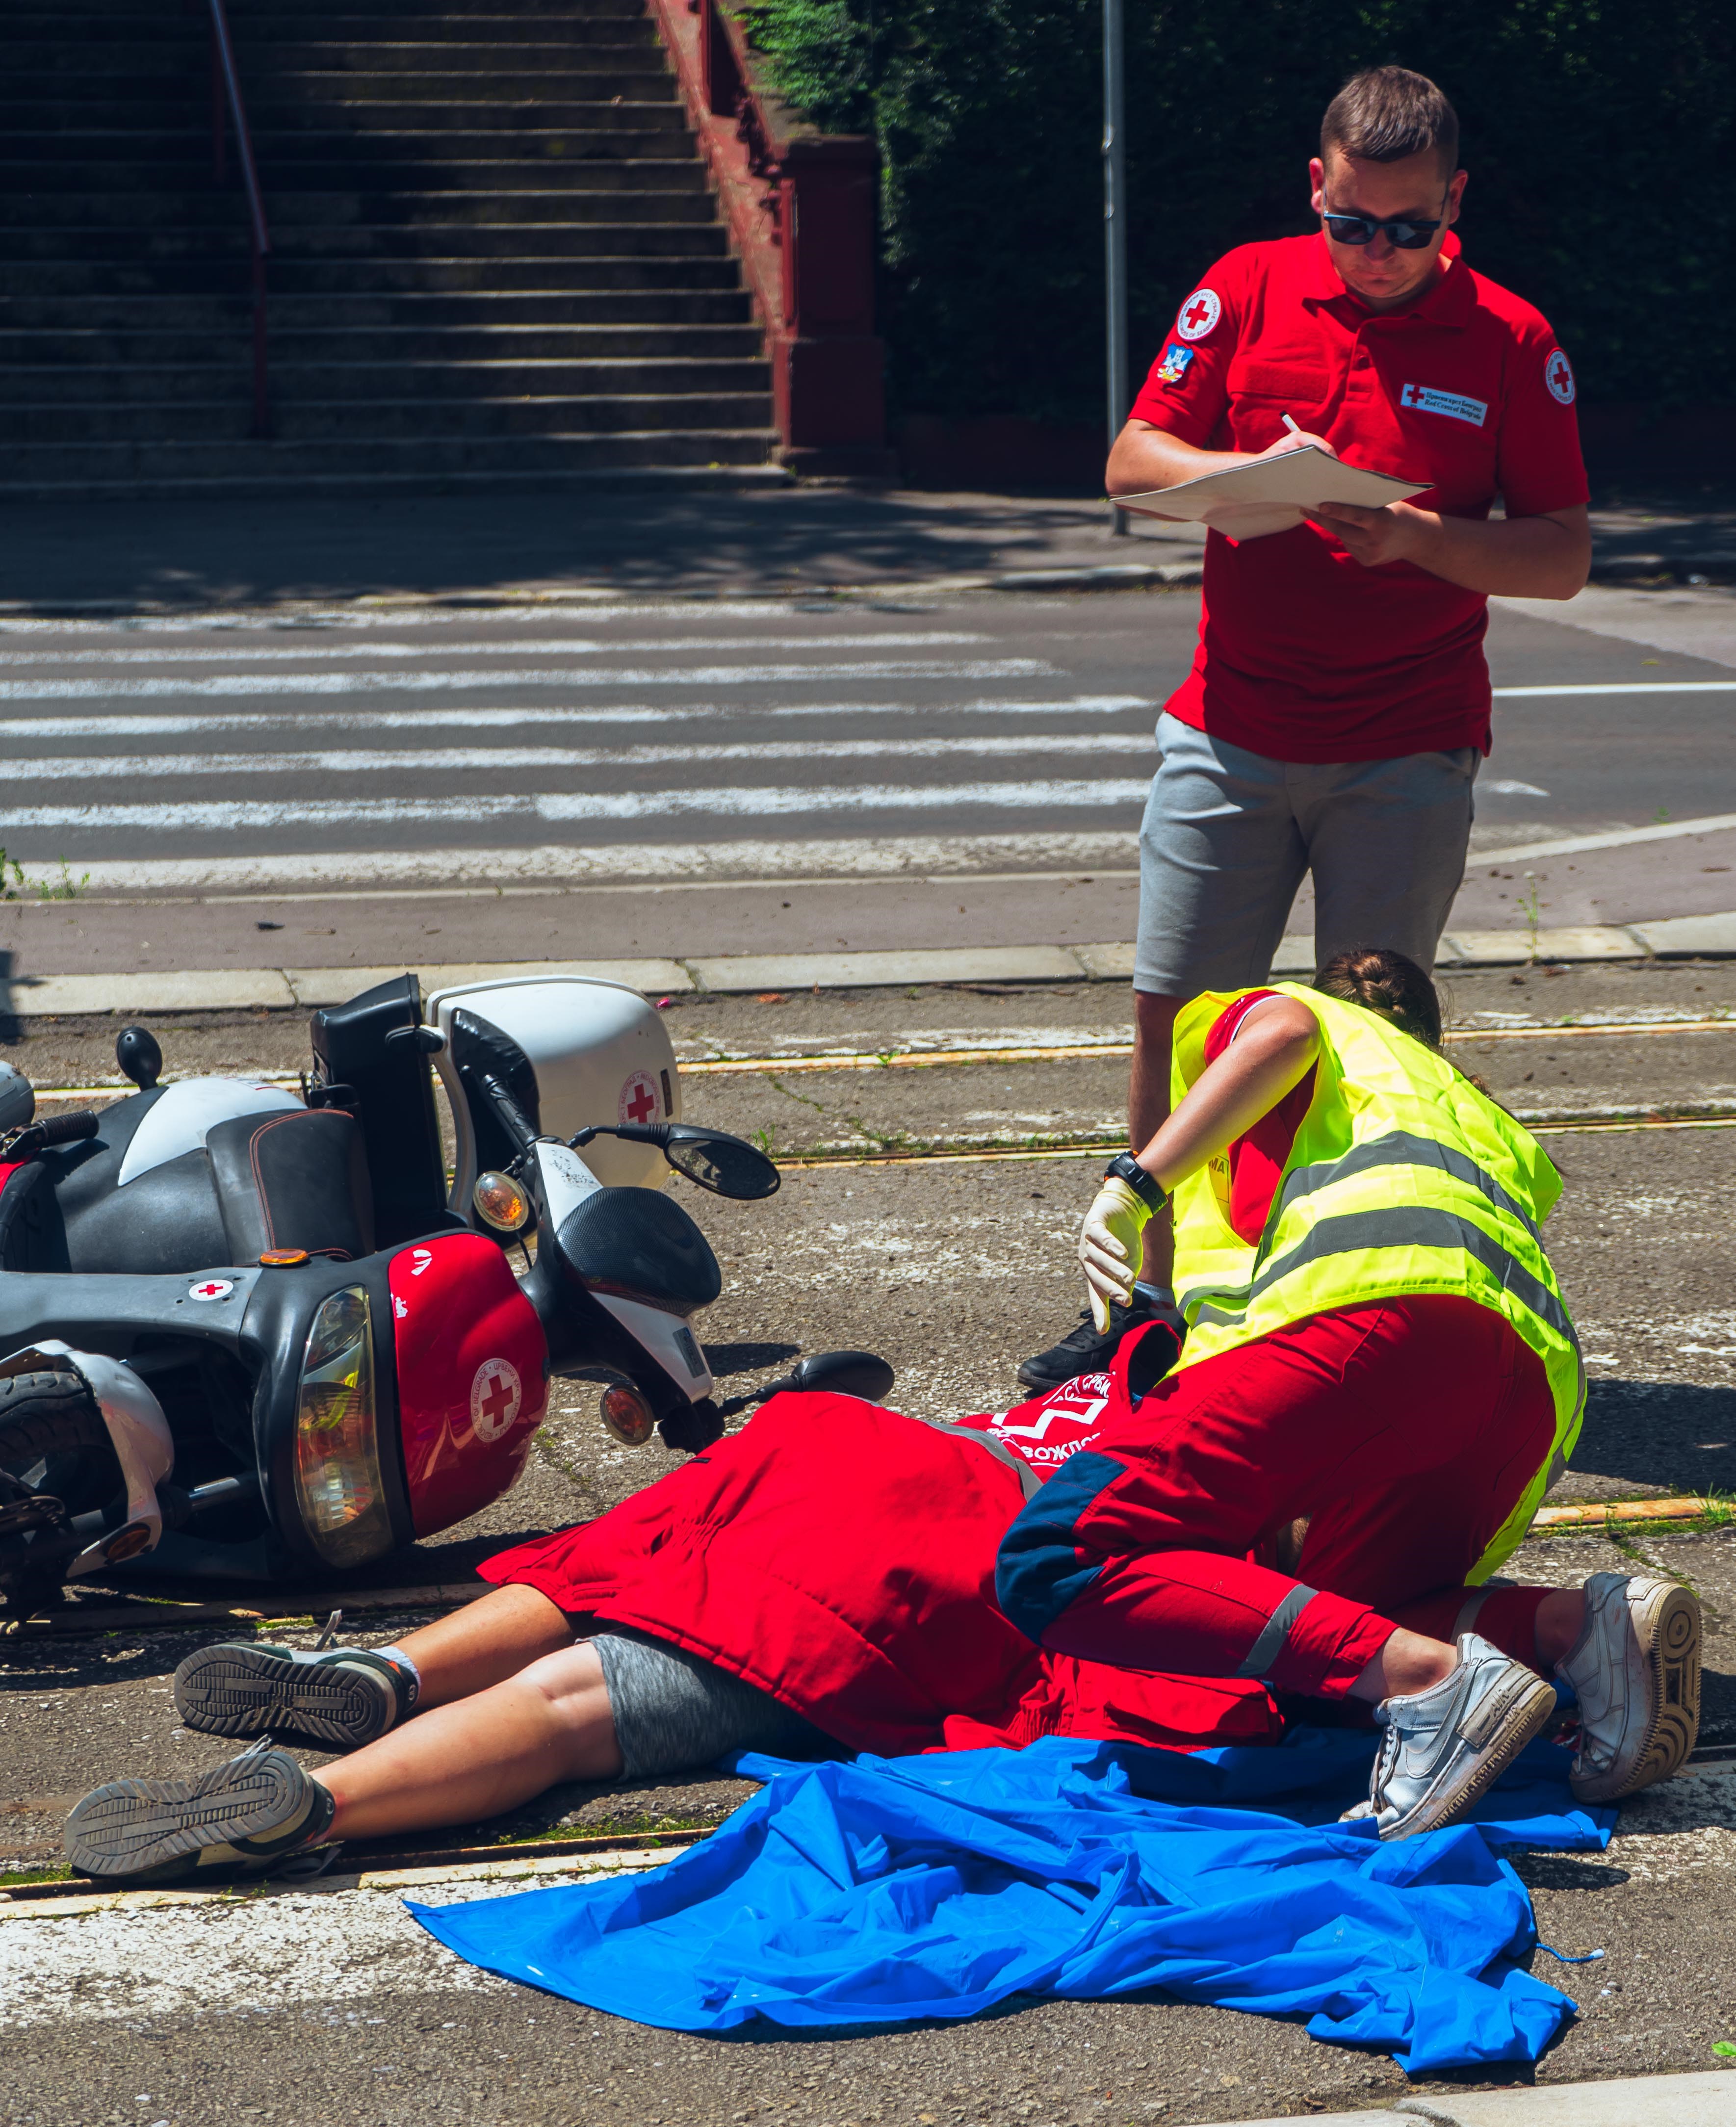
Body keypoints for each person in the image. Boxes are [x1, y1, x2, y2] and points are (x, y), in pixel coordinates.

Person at [67, 985, 1697, 1882]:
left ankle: (388, 1680)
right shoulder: (1258, 1339)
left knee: (617, 1557)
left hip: (913, 1468)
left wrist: (1138, 1178)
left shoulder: (1191, 1320)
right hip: (937, 1580)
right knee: (594, 1707)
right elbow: (1276, 1589)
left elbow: (1257, 1061)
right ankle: (326, 1796)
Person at [1020, 63, 1591, 1392]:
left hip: (1406, 746)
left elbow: (1560, 557)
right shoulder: (1246, 284)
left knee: (1373, 1036)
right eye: (1354, 222)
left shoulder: (1510, 339)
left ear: (1455, 203)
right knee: (1177, 1022)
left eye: (1411, 227)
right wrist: (1252, 483)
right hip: (1230, 731)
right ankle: (1136, 1309)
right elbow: (1131, 464)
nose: (1380, 253)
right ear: (1314, 193)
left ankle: (1358, 1305)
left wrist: (1415, 540)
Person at [996, 947, 1700, 1837]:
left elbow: (1283, 1031)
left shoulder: (1303, 1017)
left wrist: (1132, 1187)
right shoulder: (1465, 1107)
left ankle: (1432, 1684)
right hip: (1529, 1388)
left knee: (1058, 1558)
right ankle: (1576, 1629)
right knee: (1340, 1640)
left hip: (1377, 1319)